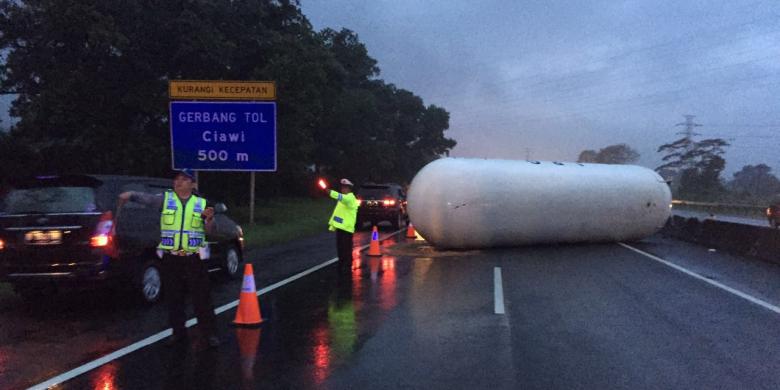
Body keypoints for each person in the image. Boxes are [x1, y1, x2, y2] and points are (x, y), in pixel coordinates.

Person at [117, 169, 220, 348]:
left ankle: (208, 334)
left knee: (201, 298)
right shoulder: (166, 199)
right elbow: (147, 198)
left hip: (194, 257)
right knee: (174, 297)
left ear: (193, 184)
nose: (178, 182)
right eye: (177, 179)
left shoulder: (202, 203)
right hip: (172, 257)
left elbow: (211, 230)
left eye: (184, 179)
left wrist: (209, 220)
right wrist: (131, 195)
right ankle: (178, 333)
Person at [324, 178, 359, 266]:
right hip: (340, 228)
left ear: (349, 189)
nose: (343, 189)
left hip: (347, 229)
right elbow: (339, 214)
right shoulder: (343, 200)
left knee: (346, 249)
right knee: (340, 249)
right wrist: (333, 225)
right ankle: (342, 264)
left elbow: (340, 197)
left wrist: (330, 192)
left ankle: (347, 266)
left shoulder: (350, 198)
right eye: (342, 187)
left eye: (345, 187)